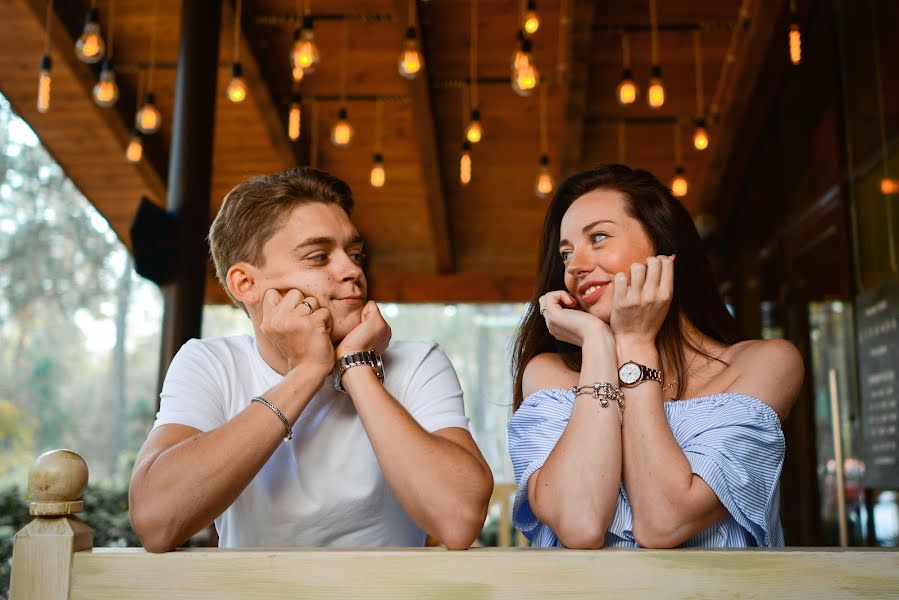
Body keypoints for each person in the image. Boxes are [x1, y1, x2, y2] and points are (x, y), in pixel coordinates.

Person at [129, 167, 493, 552]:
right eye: (319, 257)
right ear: (246, 284)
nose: (353, 270)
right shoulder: (209, 363)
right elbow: (156, 520)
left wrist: (357, 366)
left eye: (355, 253)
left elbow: (459, 519)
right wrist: (307, 371)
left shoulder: (418, 362)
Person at [508, 164, 803, 549]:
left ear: (664, 250)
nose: (575, 266)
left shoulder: (763, 364)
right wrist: (598, 344)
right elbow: (579, 524)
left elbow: (665, 521)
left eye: (598, 238)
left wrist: (635, 343)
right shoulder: (549, 375)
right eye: (566, 254)